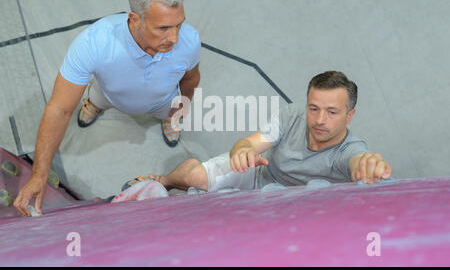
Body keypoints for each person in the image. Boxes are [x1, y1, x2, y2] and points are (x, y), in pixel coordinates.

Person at [14, 0, 201, 216]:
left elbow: (191, 78)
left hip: (162, 102)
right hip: (108, 96)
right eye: (163, 28)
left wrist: (179, 109)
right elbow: (60, 109)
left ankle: (168, 119)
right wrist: (39, 175)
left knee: (171, 113)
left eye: (179, 24)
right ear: (135, 19)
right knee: (96, 98)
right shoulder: (94, 43)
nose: (175, 38)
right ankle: (94, 105)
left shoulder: (189, 41)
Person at [116, 71, 392, 199]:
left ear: (349, 115)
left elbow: (361, 161)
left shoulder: (351, 149)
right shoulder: (292, 115)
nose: (319, 120)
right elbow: (250, 143)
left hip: (293, 204)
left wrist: (368, 165)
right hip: (259, 176)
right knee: (193, 177)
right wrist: (242, 152)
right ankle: (162, 181)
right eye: (314, 108)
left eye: (332, 112)